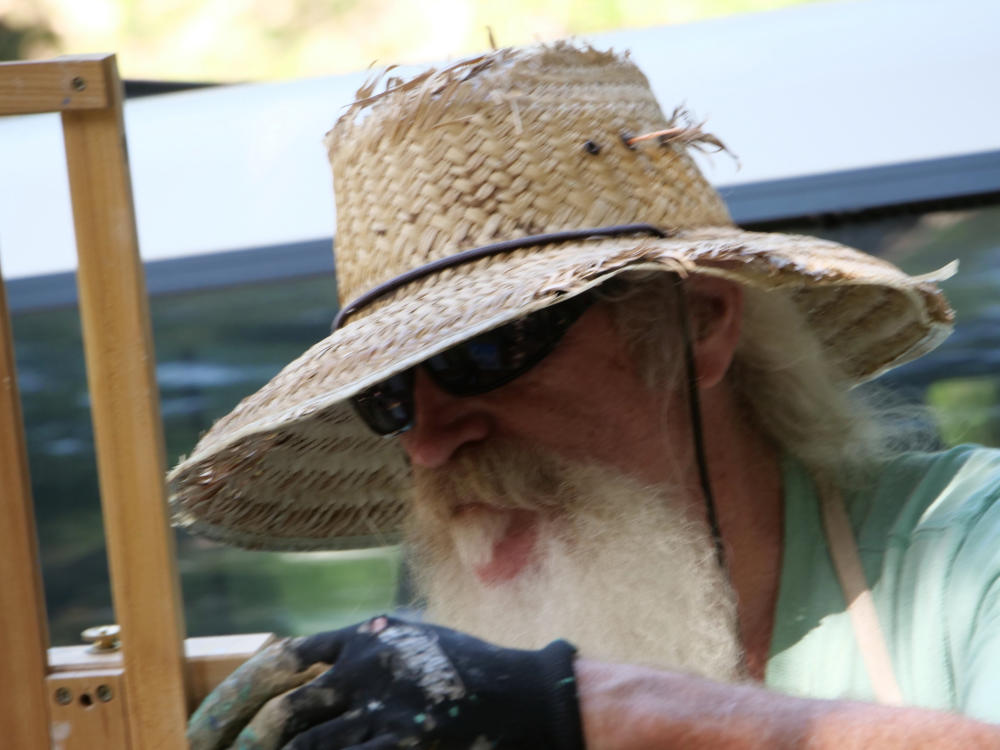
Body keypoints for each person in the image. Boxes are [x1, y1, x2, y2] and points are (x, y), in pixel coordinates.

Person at [170, 42, 1000, 749]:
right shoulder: (445, 693)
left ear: (700, 325)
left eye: (482, 351)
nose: (427, 441)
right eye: (386, 396)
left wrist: (596, 707)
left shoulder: (961, 551)